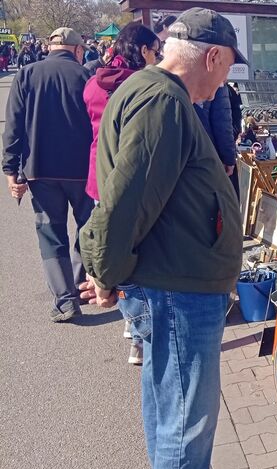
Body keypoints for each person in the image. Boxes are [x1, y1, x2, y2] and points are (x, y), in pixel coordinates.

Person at [78, 8, 246, 469]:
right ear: (212, 56)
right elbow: (126, 201)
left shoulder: (155, 92)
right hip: (178, 291)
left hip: (174, 284)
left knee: (170, 414)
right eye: (229, 66)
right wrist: (105, 273)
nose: (225, 81)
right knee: (185, 426)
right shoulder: (163, 102)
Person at [82, 22, 160, 365]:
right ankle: (140, 335)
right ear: (142, 50)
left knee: (115, 247)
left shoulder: (92, 85)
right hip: (129, 179)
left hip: (98, 177)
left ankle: (130, 324)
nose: (157, 55)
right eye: (155, 49)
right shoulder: (143, 88)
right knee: (138, 253)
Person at [2, 28, 93, 322]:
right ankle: (80, 284)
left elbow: (13, 126)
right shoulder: (84, 76)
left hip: (40, 169)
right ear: (77, 50)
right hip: (82, 170)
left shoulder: (27, 74)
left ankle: (65, 299)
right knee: (86, 227)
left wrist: (10, 170)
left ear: (51, 47)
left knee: (50, 232)